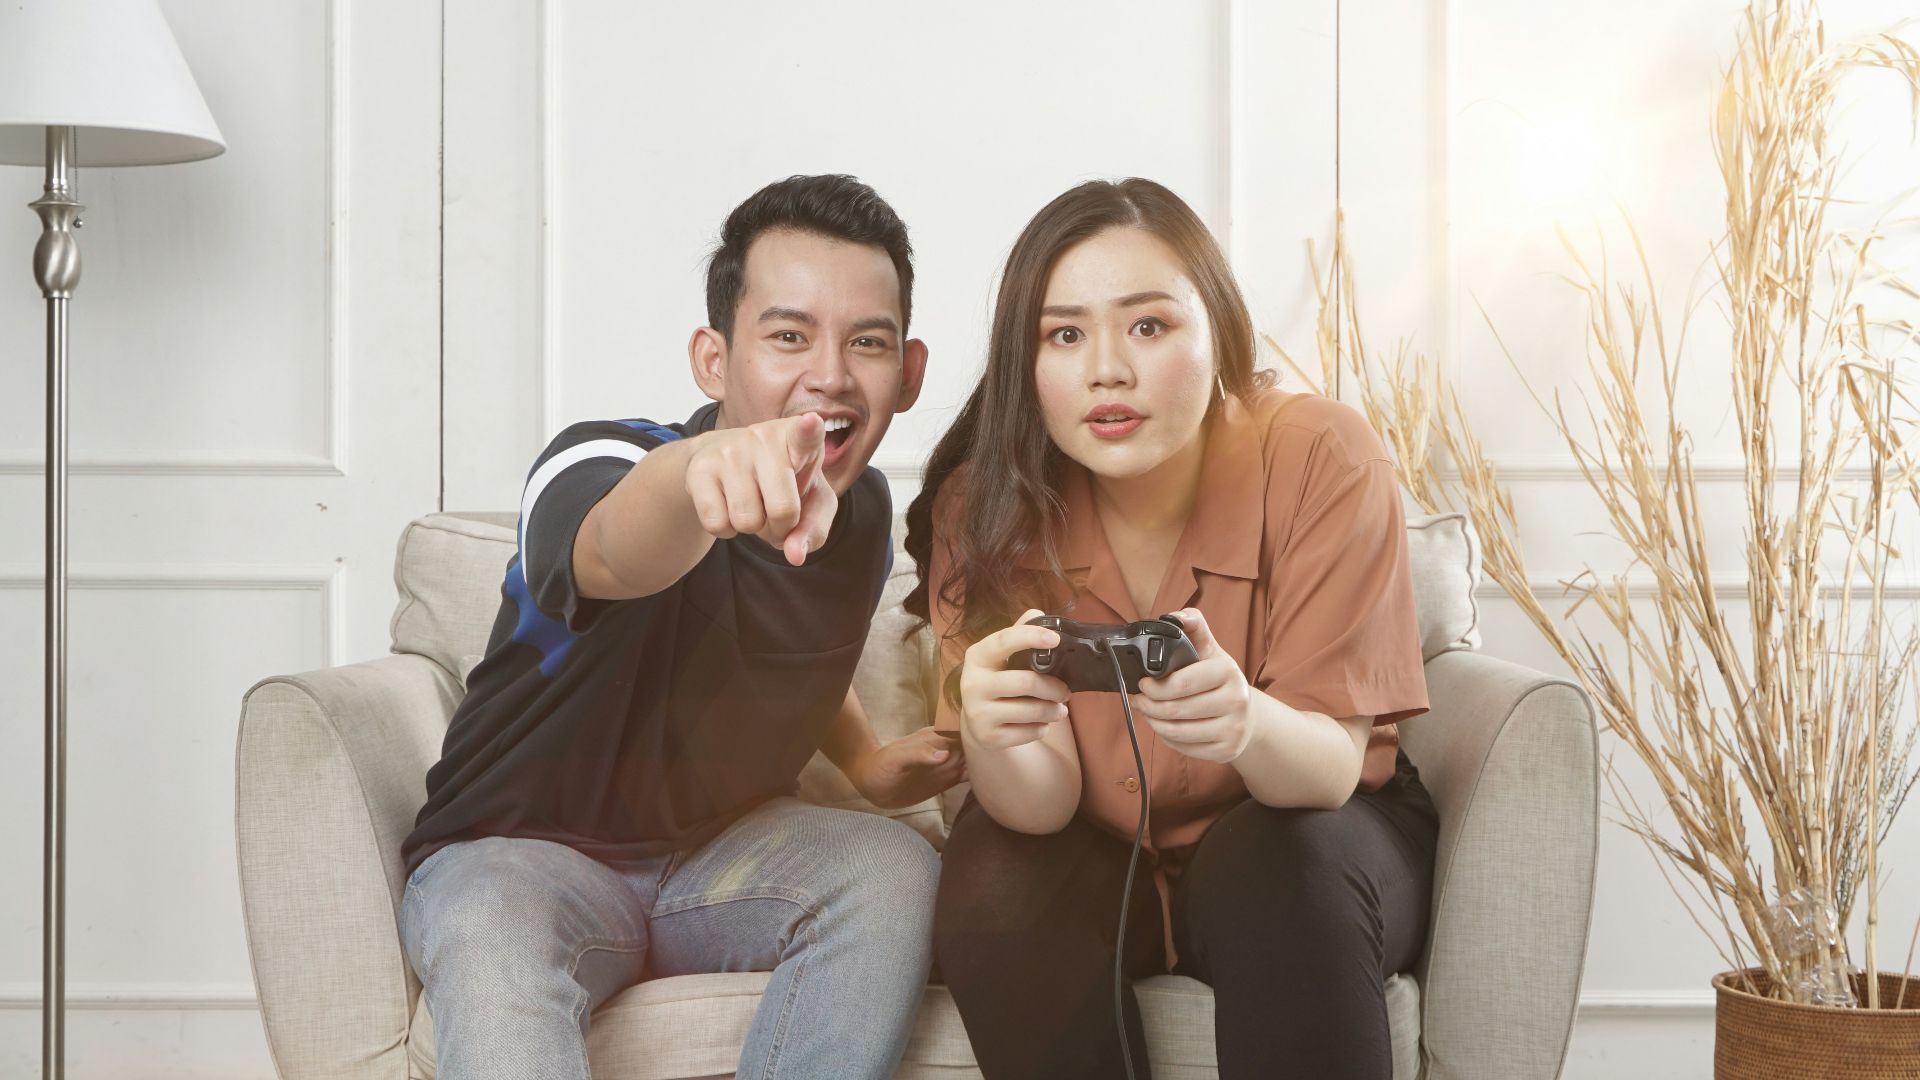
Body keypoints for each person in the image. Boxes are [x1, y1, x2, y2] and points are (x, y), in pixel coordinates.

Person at [399, 173, 964, 1080]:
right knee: (487, 926)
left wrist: (866, 764)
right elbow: (617, 555)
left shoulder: (860, 515)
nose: (830, 373)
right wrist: (702, 473)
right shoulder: (600, 459)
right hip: (521, 855)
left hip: (717, 863)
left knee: (893, 871)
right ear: (712, 360)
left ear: (910, 373)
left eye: (868, 342)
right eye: (788, 336)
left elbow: (784, 657)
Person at [904, 178, 1438, 1080]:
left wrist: (1247, 723)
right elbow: (1040, 802)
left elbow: (1331, 766)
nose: (1107, 370)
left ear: (1219, 333)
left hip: (1307, 819)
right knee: (995, 872)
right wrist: (999, 737)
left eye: (1148, 327)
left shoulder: (1320, 453)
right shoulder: (985, 503)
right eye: (1064, 334)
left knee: (1282, 866)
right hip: (1091, 840)